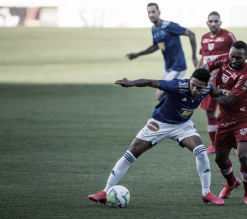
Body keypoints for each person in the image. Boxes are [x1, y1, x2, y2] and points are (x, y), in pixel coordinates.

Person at [88, 68, 224, 206]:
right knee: (130, 154)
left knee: (201, 153)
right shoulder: (177, 85)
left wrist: (213, 86)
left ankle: (206, 193)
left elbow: (212, 83)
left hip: (182, 125)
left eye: (199, 87)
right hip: (159, 122)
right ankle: (104, 192)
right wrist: (132, 83)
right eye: (192, 84)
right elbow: (151, 82)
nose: (194, 89)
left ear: (205, 85)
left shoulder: (207, 88)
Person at [200, 41, 247, 205]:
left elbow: (228, 101)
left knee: (243, 156)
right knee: (220, 160)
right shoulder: (224, 59)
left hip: (243, 119)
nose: (233, 60)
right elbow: (203, 69)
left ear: (246, 56)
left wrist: (211, 88)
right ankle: (232, 183)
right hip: (224, 120)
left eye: (238, 58)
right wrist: (207, 80)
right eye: (232, 55)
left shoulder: (246, 75)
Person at [126, 3, 198, 100]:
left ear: (159, 12)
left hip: (178, 67)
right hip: (167, 68)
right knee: (168, 96)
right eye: (149, 12)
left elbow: (191, 34)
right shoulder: (154, 29)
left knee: (159, 95)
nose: (151, 15)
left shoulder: (169, 26)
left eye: (153, 12)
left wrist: (194, 56)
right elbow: (157, 46)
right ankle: (177, 111)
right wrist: (138, 54)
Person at [197, 11, 237, 154]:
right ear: (207, 23)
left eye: (216, 21)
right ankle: (214, 145)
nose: (213, 24)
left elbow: (238, 55)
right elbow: (202, 59)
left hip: (224, 80)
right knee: (210, 112)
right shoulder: (204, 38)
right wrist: (196, 75)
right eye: (211, 21)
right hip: (207, 81)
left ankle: (237, 145)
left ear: (220, 22)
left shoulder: (228, 36)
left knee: (228, 111)